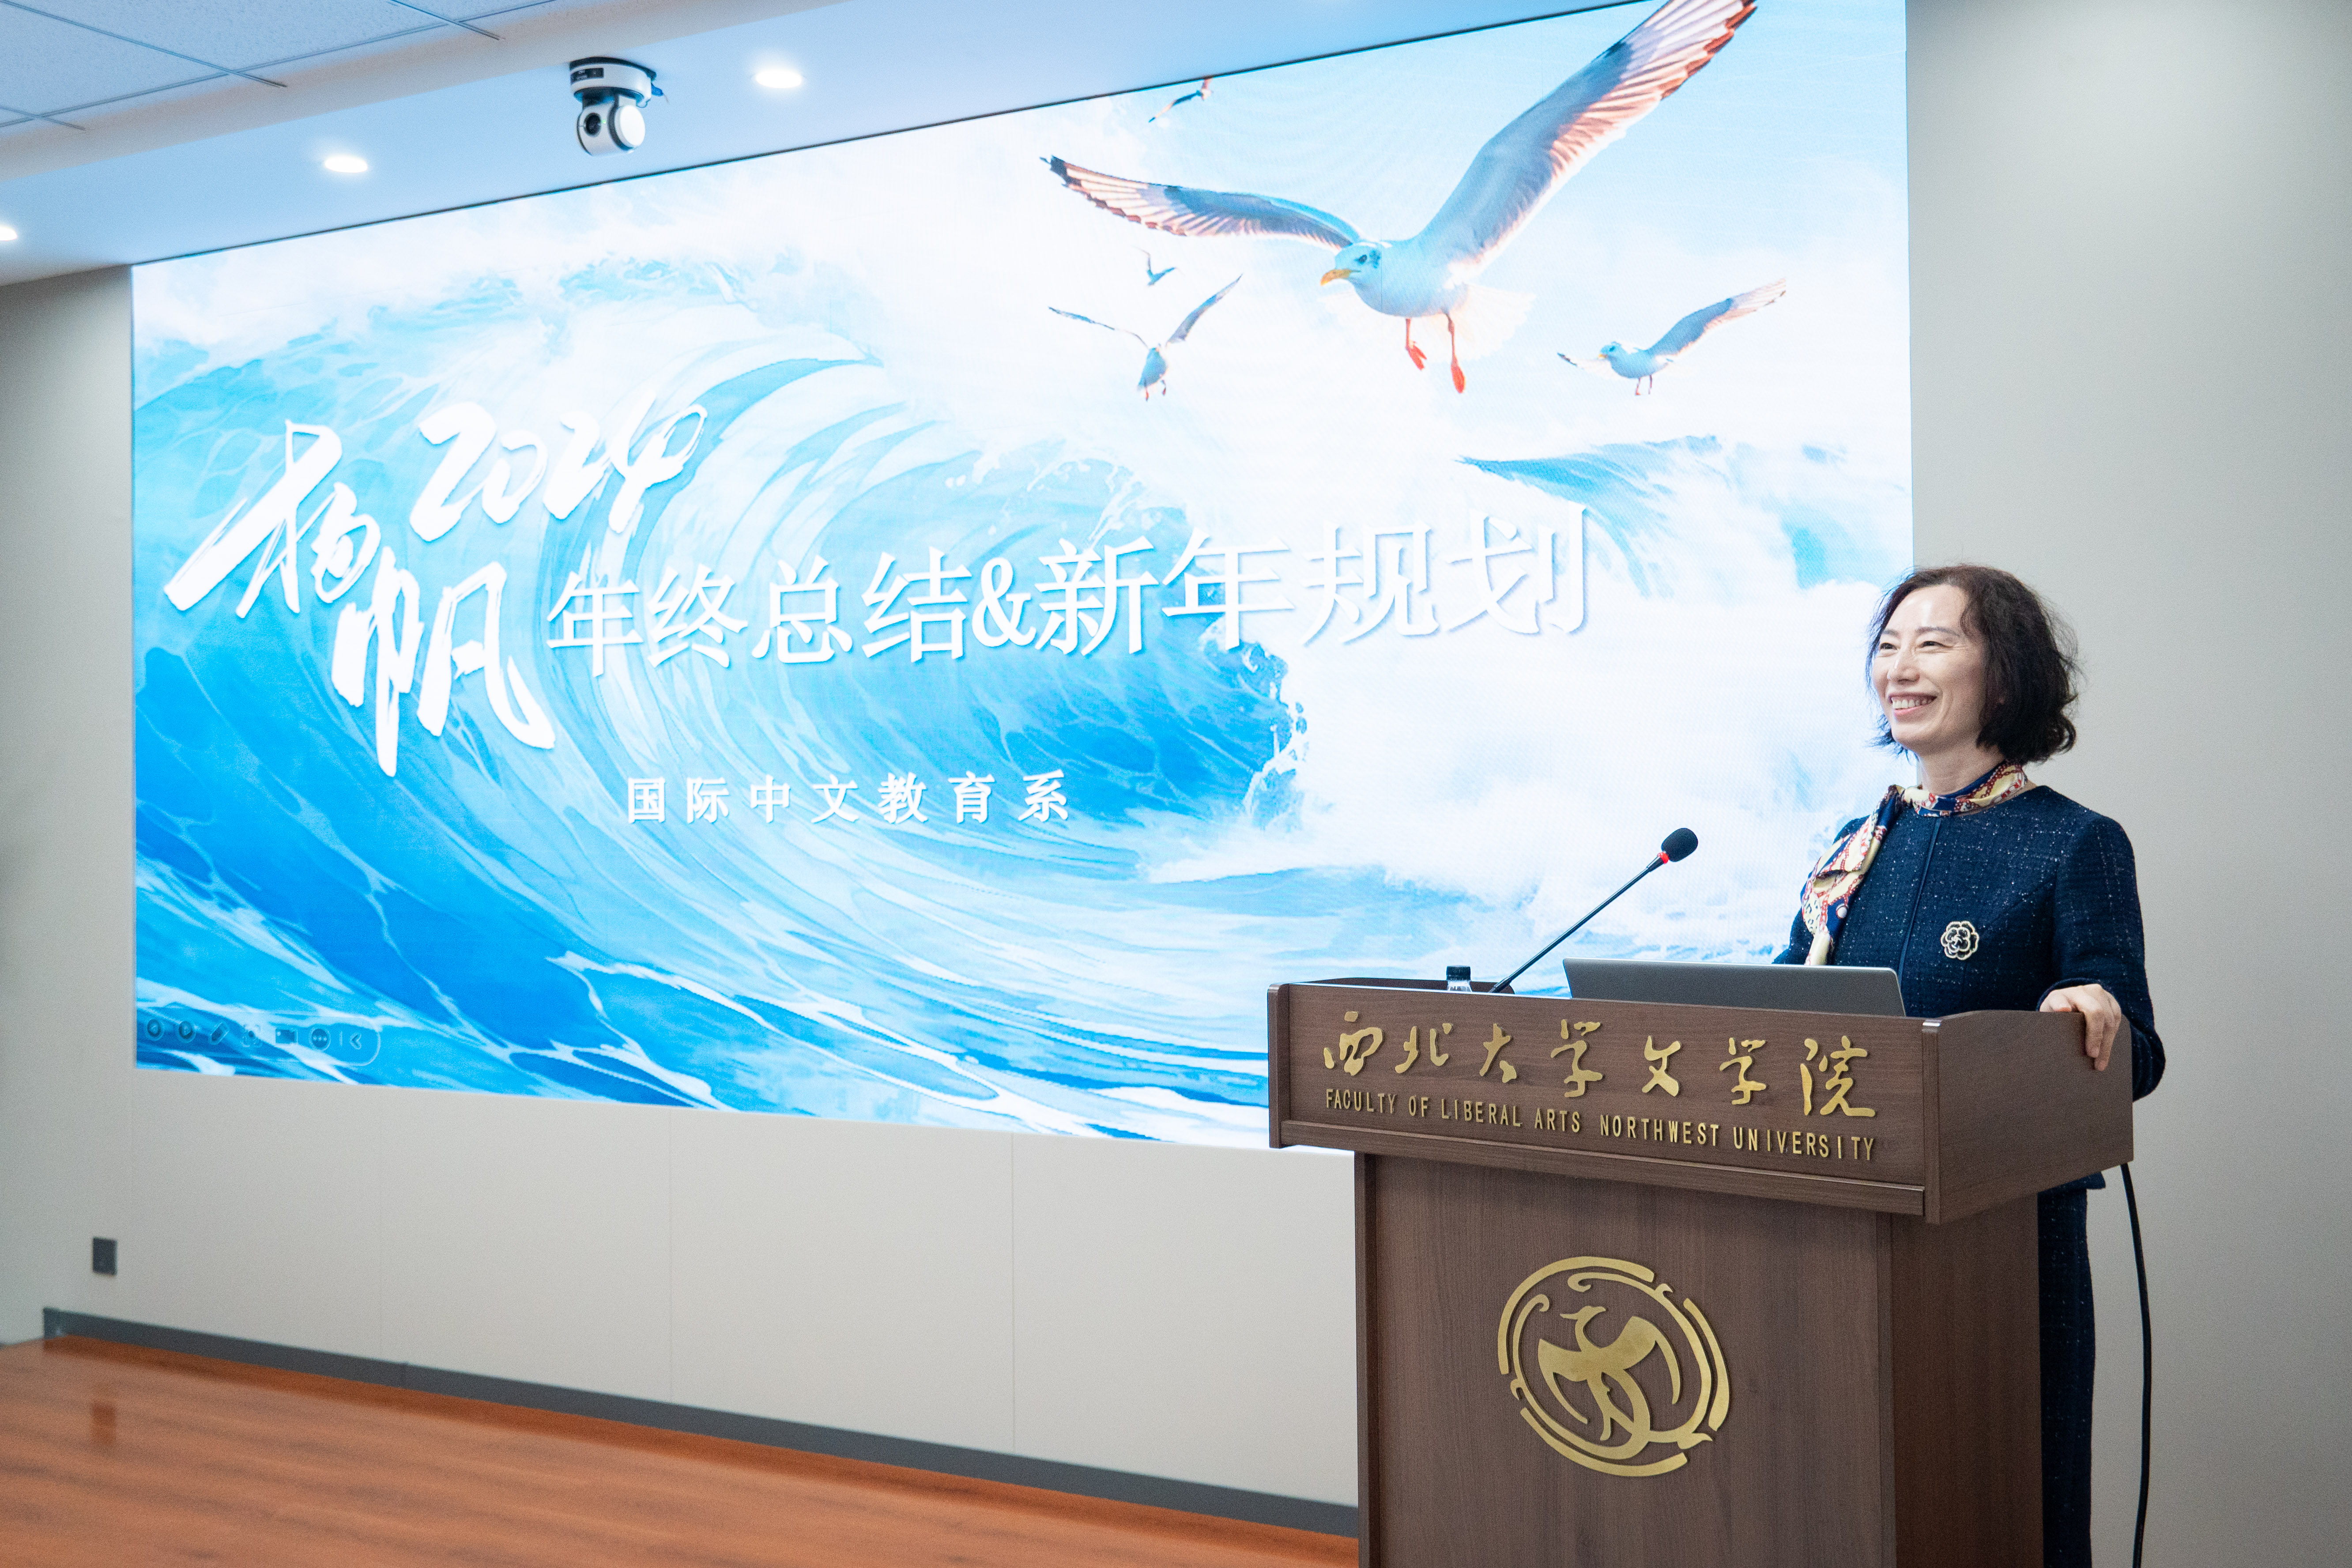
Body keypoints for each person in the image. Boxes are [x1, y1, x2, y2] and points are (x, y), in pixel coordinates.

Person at [1773, 564, 2164, 1568]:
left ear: (2004, 674)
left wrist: (2081, 1017)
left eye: (1934, 644)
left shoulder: (2073, 843)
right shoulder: (1857, 848)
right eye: (1889, 646)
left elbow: (2138, 1054)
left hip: (2004, 1246)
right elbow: (1778, 1019)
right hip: (1840, 1229)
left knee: (2008, 1506)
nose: (1900, 668)